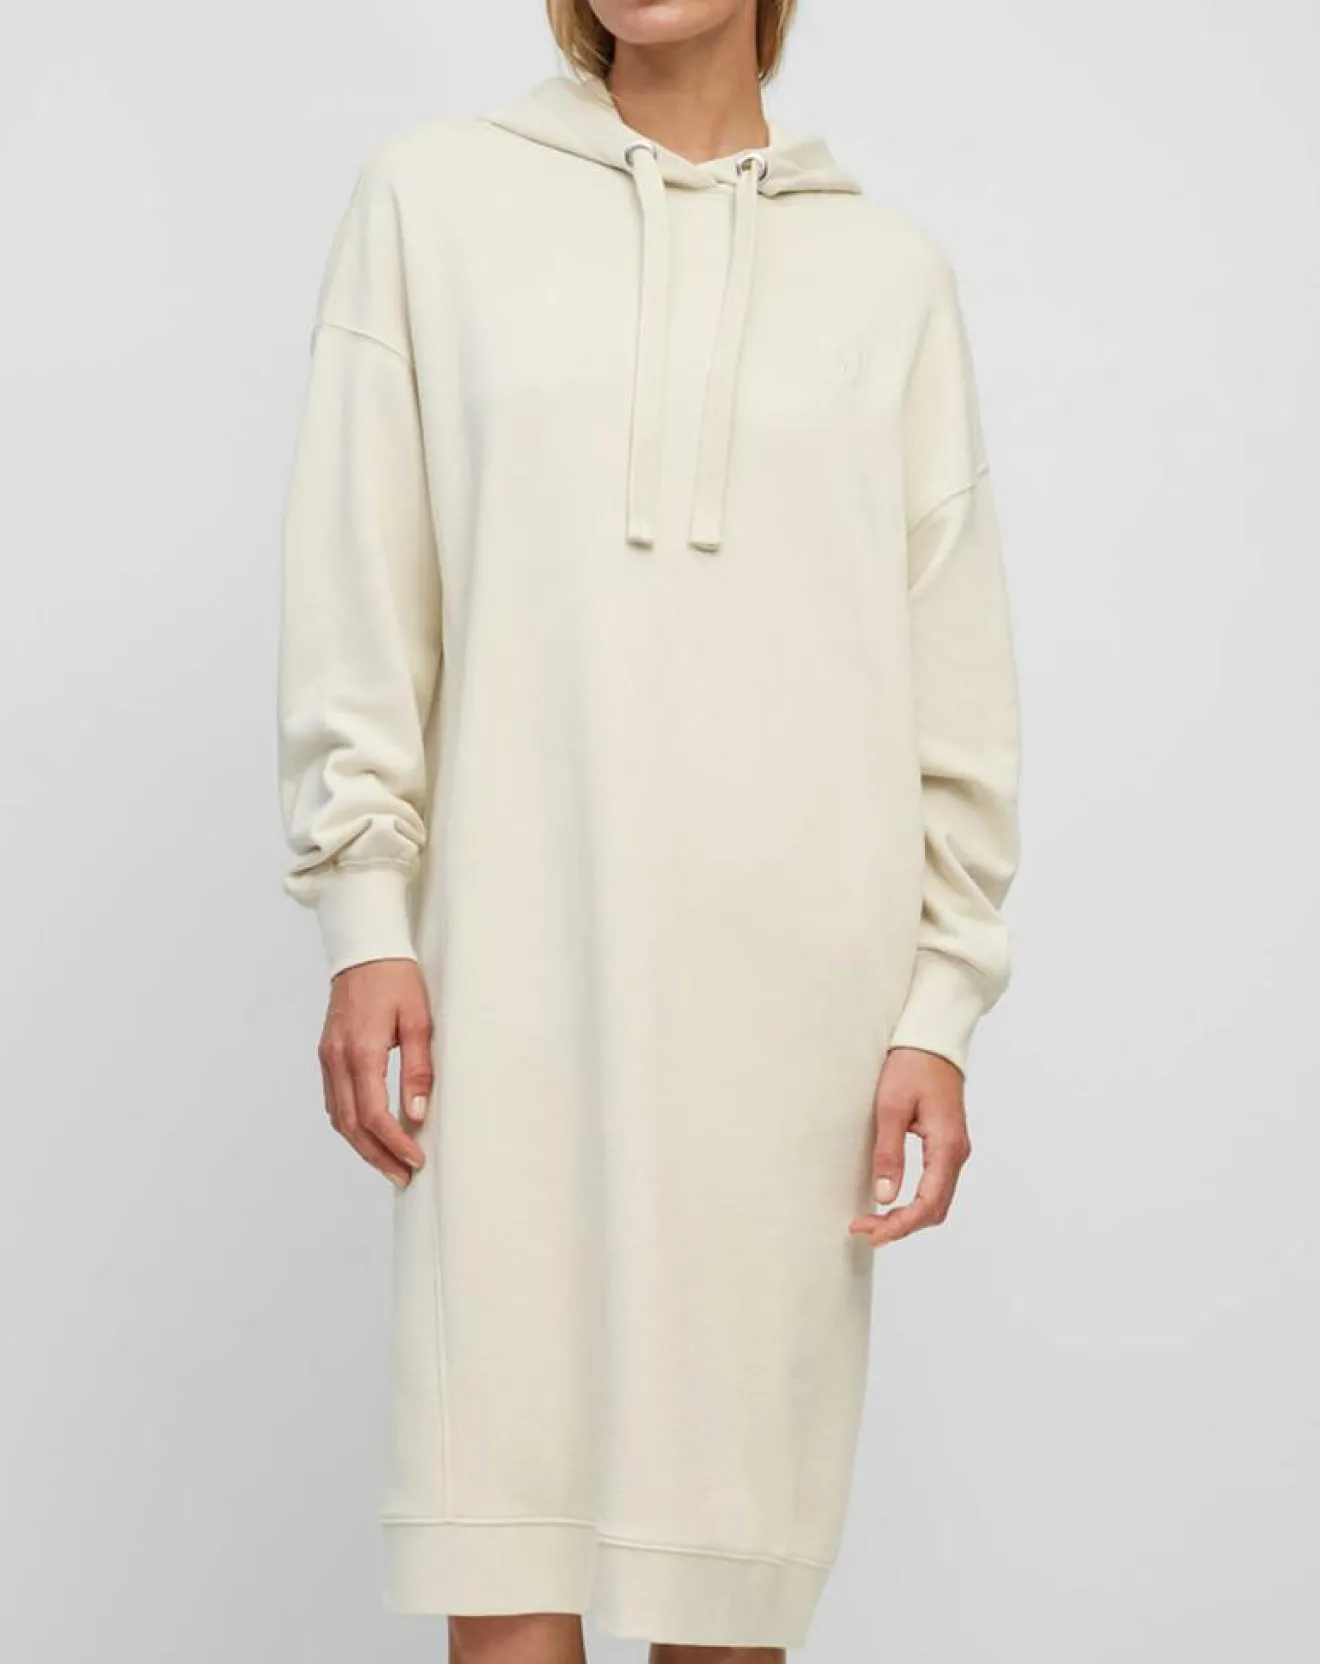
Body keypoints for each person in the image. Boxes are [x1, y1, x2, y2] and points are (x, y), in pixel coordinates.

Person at [276, 1, 1022, 1658]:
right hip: (511, 981)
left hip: (791, 1026)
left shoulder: (890, 280)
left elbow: (954, 685)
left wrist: (939, 1006)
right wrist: (366, 914)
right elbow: (361, 588)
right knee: (504, 1569)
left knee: (723, 1601)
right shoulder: (433, 203)